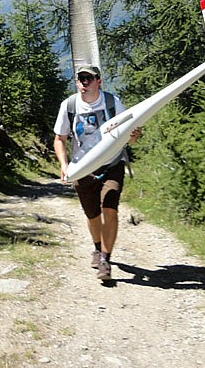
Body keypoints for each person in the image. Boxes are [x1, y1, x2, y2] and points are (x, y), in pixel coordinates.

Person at [53, 64, 141, 281]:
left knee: (109, 208)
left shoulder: (112, 102)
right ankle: (96, 247)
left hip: (112, 165)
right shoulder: (70, 105)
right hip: (83, 168)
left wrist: (134, 136)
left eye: (89, 78)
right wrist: (64, 165)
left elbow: (128, 136)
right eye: (80, 78)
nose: (84, 82)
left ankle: (105, 259)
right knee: (92, 215)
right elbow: (59, 139)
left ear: (98, 81)